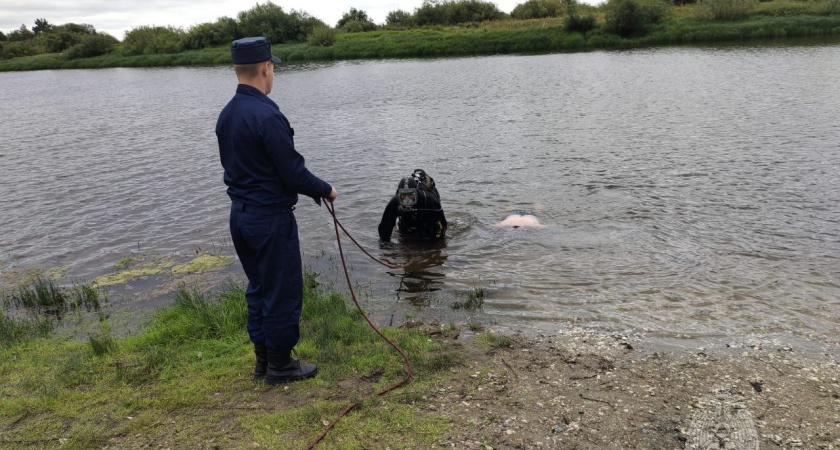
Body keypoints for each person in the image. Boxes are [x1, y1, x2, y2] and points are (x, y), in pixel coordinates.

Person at [216, 37, 338, 385]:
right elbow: (293, 173)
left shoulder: (227, 114)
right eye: (273, 68)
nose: (273, 74)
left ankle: (263, 361)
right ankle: (281, 367)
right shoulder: (268, 115)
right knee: (282, 290)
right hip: (269, 219)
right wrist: (326, 190)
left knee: (258, 287)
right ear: (266, 68)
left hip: (240, 217)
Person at [378, 169, 447, 242]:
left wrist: (437, 243)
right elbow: (386, 224)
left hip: (427, 223)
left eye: (410, 194)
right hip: (407, 224)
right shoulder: (395, 201)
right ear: (399, 194)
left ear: (416, 192)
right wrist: (385, 245)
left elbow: (442, 224)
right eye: (403, 195)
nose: (407, 199)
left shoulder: (429, 199)